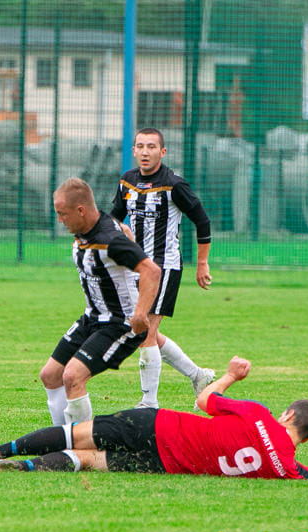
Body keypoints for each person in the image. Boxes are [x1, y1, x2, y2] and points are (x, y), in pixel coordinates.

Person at [0, 356, 308, 480]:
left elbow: (204, 400)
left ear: (288, 415)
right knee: (90, 460)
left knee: (77, 434)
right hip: (168, 465)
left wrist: (231, 377)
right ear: (304, 438)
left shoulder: (258, 416)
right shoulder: (286, 468)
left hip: (161, 426)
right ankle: (16, 467)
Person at [40, 177, 161, 426]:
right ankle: (62, 438)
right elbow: (125, 232)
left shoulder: (109, 239)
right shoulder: (89, 228)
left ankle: (80, 448)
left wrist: (140, 314)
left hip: (119, 323)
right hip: (92, 317)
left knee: (72, 376)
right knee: (51, 375)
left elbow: (151, 270)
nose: (60, 220)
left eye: (62, 214)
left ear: (80, 210)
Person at [110, 127, 214, 409]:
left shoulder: (174, 185)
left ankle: (149, 403)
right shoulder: (127, 181)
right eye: (140, 146)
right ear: (133, 150)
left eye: (151, 147)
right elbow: (114, 219)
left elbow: (202, 221)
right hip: (135, 268)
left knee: (144, 331)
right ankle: (199, 375)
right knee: (142, 329)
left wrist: (201, 263)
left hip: (164, 267)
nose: (145, 152)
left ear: (162, 152)